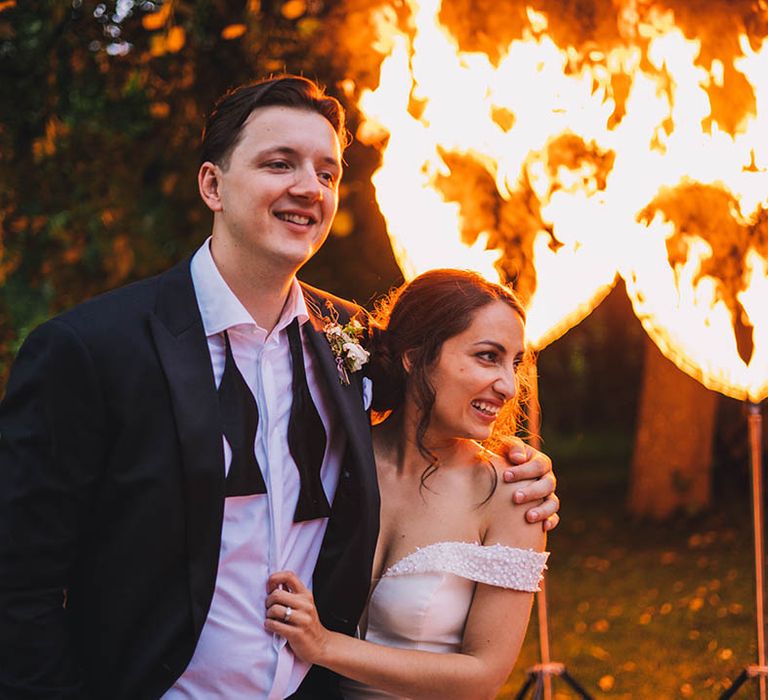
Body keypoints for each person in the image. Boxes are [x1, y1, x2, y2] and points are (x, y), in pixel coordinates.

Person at [0, 75, 557, 699]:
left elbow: (438, 400)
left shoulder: (349, 338)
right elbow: (20, 585)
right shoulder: (91, 350)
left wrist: (525, 465)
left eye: (326, 172)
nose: (307, 188)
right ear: (212, 184)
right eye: (279, 163)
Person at [265, 269, 547, 700]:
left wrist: (324, 645)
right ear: (415, 357)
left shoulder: (513, 493)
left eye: (515, 362)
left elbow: (484, 675)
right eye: (488, 356)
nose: (509, 386)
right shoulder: (335, 460)